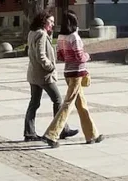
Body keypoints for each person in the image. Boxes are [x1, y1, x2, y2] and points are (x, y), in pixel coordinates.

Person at [41, 11, 102, 148]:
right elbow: (80, 57)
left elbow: (60, 57)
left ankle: (92, 134)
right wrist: (87, 56)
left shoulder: (61, 37)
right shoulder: (75, 37)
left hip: (68, 72)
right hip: (77, 73)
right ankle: (52, 134)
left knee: (81, 105)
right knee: (68, 104)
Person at [24, 10, 77, 142]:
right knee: (58, 100)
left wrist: (50, 34)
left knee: (34, 103)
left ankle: (29, 132)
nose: (53, 24)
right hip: (44, 75)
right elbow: (41, 55)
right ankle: (61, 129)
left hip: (33, 74)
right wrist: (50, 66)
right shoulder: (41, 34)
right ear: (44, 21)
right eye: (51, 21)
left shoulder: (33, 33)